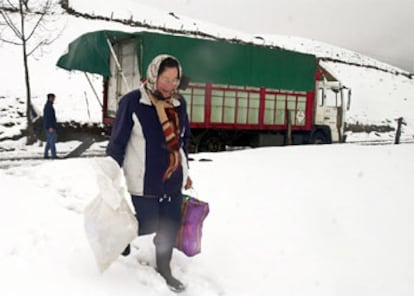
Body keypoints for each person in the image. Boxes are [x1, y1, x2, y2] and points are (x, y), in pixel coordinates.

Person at [106, 54, 192, 292]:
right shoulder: (133, 102)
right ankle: (121, 238)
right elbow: (118, 142)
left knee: (170, 224)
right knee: (148, 222)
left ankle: (164, 268)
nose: (170, 86)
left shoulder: (179, 103)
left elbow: (183, 140)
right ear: (154, 75)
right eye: (165, 79)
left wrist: (187, 170)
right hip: (145, 179)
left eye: (175, 80)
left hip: (173, 178)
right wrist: (111, 174)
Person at [43, 93, 57, 159]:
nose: (54, 99)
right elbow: (48, 118)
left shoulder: (48, 106)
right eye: (53, 98)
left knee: (49, 141)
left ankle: (46, 155)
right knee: (52, 141)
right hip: (50, 127)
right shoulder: (48, 106)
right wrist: (50, 126)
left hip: (48, 126)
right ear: (50, 98)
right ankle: (53, 155)